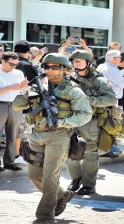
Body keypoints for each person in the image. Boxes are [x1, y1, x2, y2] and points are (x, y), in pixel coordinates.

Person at [12, 53, 92, 224]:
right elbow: (16, 105)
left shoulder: (72, 90)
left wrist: (62, 122)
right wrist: (24, 91)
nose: (49, 70)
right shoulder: (37, 86)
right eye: (47, 66)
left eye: (54, 67)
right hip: (37, 134)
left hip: (59, 135)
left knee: (50, 177)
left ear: (64, 69)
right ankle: (62, 194)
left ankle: (45, 216)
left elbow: (85, 115)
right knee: (34, 175)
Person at [65, 50, 117, 195]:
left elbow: (111, 99)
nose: (77, 63)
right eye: (74, 61)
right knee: (69, 150)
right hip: (71, 119)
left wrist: (89, 100)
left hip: (90, 121)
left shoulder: (99, 81)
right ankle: (75, 179)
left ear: (88, 63)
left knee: (90, 153)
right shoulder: (69, 79)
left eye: (80, 61)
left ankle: (88, 184)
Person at [0, 51, 29, 172]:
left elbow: (21, 91)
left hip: (15, 105)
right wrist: (10, 87)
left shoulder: (18, 73)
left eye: (16, 64)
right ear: (3, 61)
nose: (14, 66)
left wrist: (24, 87)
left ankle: (9, 161)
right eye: (11, 64)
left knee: (13, 135)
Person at [97, 50, 124, 155]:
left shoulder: (101, 67)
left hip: (103, 100)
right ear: (114, 59)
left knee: (103, 124)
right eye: (119, 58)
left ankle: (104, 148)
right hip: (111, 101)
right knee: (112, 125)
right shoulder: (112, 69)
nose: (120, 60)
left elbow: (114, 77)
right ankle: (107, 148)